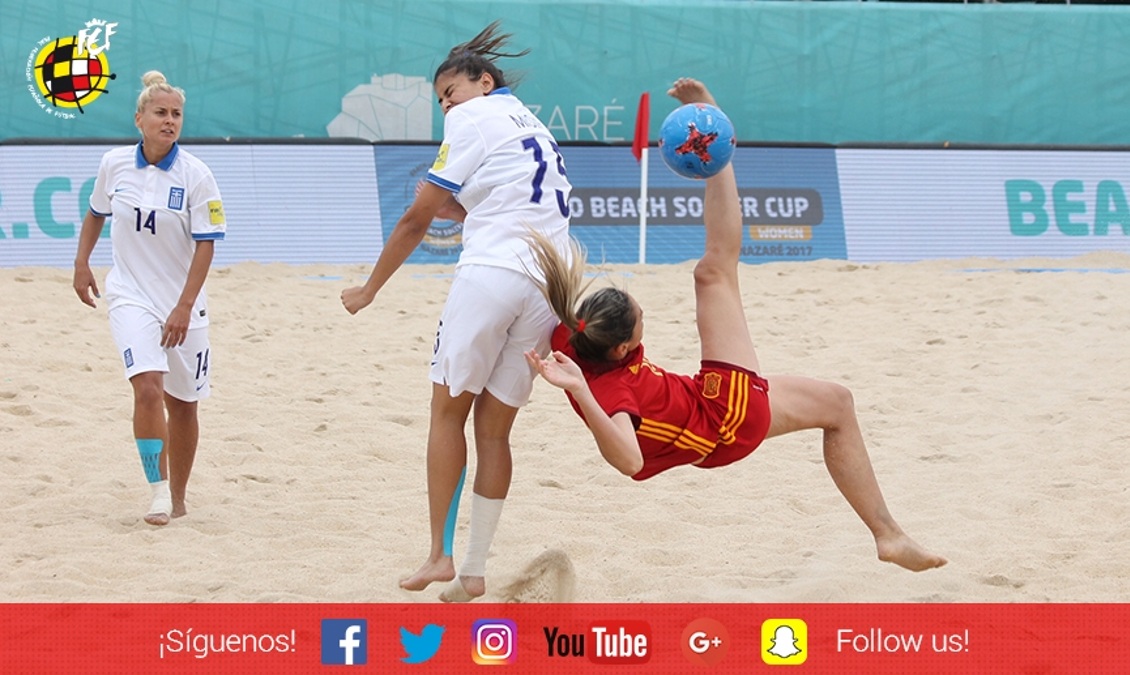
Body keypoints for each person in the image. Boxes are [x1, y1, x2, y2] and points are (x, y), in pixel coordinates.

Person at [524, 78, 946, 573]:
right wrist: (584, 394)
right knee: (714, 271)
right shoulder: (613, 392)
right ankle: (718, 147)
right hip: (725, 416)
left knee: (837, 402)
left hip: (706, 411)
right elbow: (629, 462)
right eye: (642, 322)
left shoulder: (569, 333)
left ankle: (888, 536)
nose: (644, 319)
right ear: (621, 350)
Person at [341, 21, 572, 601]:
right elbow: (507, 201)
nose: (446, 104)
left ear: (484, 81)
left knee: (446, 416)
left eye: (452, 91)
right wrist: (467, 211)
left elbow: (414, 220)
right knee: (495, 433)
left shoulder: (471, 118)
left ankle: (440, 555)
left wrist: (369, 289)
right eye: (441, 99)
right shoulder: (533, 124)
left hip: (492, 276)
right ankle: (473, 568)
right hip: (551, 284)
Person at [73, 70, 226, 527]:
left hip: (183, 303)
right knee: (147, 389)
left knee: (184, 405)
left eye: (176, 114)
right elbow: (96, 213)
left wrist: (183, 305)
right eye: (160, 113)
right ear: (139, 118)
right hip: (129, 295)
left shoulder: (197, 175)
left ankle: (178, 496)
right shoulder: (114, 164)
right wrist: (82, 263)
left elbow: (207, 243)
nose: (169, 120)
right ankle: (157, 491)